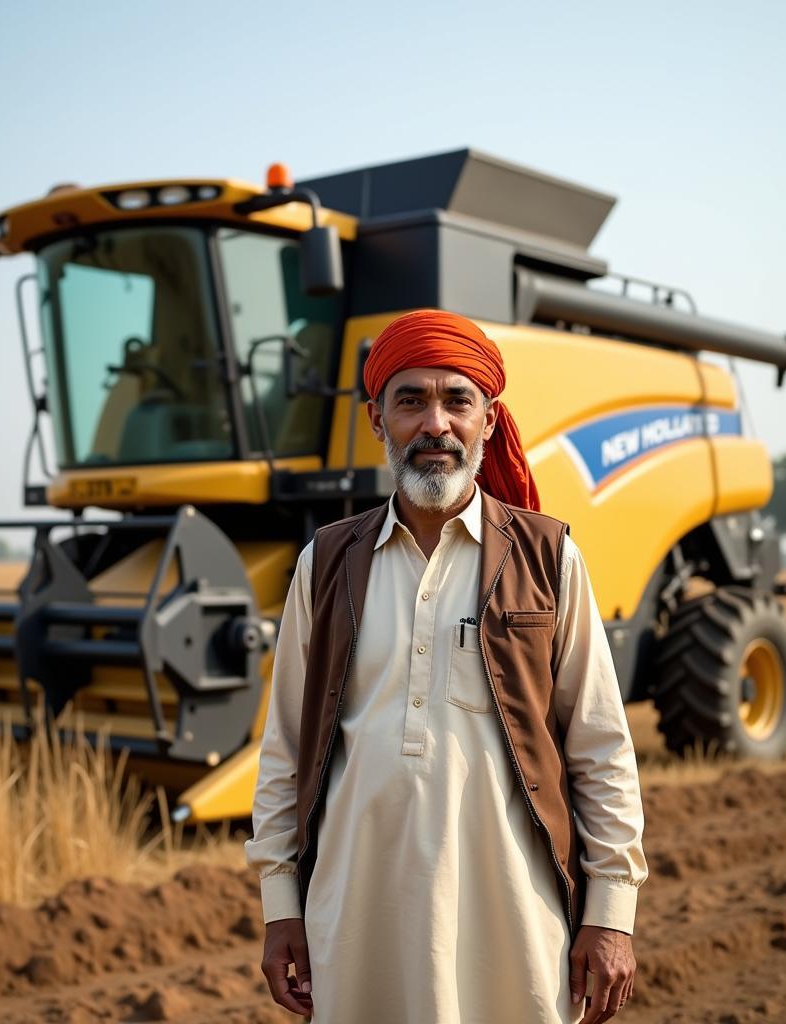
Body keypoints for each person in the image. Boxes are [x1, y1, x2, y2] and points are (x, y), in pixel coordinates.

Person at [245, 310, 648, 1023]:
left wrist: (611, 912)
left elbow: (601, 749)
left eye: (457, 400)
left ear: (489, 421)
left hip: (512, 922)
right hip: (355, 915)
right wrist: (282, 907)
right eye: (411, 401)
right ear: (377, 420)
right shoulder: (327, 563)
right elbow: (284, 751)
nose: (436, 423)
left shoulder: (548, 558)